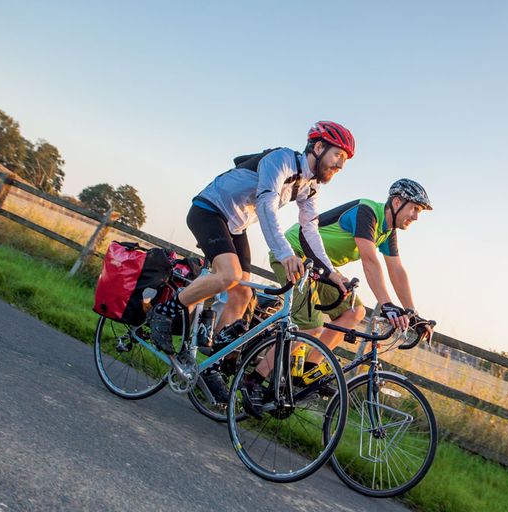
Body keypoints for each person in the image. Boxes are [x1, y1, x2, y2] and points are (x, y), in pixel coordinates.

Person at [147, 122, 356, 397]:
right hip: (209, 209)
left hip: (235, 225)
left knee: (242, 296)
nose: (340, 165)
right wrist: (285, 254)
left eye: (345, 160)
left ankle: (211, 366)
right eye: (338, 155)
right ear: (318, 147)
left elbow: (310, 229)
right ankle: (163, 313)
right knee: (228, 275)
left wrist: (330, 272)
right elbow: (266, 205)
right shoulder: (280, 159)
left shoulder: (310, 186)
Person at [266, 178, 434, 379]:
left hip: (322, 268)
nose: (416, 216)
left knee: (355, 311)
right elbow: (369, 260)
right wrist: (387, 304)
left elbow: (397, 270)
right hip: (294, 253)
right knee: (309, 327)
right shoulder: (367, 212)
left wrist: (412, 313)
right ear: (397, 203)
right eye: (414, 209)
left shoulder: (387, 231)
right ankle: (254, 381)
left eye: (419, 212)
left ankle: (307, 371)